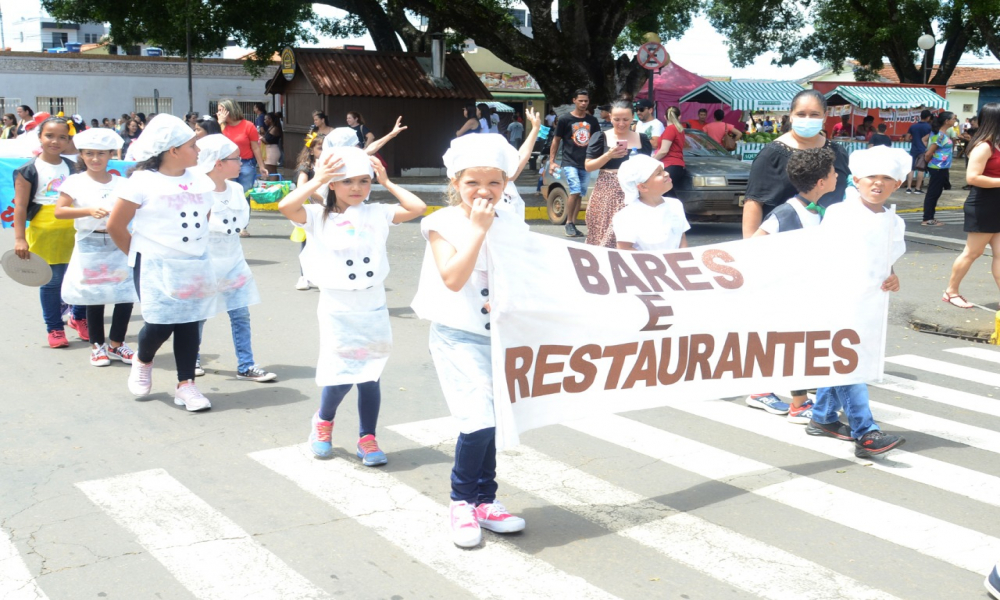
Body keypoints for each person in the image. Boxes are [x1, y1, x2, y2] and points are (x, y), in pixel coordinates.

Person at [410, 133, 527, 548]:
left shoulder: (512, 219)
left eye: (494, 183)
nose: (484, 191)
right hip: (457, 336)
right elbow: (453, 277)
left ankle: (486, 502)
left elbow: (523, 269)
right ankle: (461, 501)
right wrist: (478, 228)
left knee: (493, 422)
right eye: (473, 182)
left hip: (499, 337)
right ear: (455, 182)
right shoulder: (441, 222)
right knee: (476, 420)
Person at [278, 145, 426, 464]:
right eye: (347, 181)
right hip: (337, 306)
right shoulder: (318, 216)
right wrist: (316, 179)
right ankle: (324, 422)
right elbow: (287, 206)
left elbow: (418, 207)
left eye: (363, 180)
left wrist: (387, 182)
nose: (356, 188)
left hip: (372, 303)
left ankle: (367, 438)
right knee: (341, 373)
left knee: (370, 374)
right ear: (333, 184)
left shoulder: (377, 212)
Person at [106, 114, 219, 411]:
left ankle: (186, 385)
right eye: (193, 144)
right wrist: (140, 254)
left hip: (193, 263)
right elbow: (116, 226)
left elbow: (202, 221)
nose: (198, 149)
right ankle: (143, 360)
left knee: (190, 323)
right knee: (159, 324)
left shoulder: (201, 180)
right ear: (173, 150)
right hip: (153, 264)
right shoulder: (142, 181)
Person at [807, 145, 908, 458]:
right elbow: (822, 256)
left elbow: (885, 259)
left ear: (898, 184)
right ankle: (865, 432)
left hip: (870, 304)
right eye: (870, 178)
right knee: (851, 364)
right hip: (838, 300)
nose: (877, 184)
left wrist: (892, 275)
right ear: (856, 179)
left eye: (886, 179)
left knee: (843, 362)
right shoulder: (840, 213)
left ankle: (822, 417)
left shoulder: (894, 221)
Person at [751, 147, 839, 422]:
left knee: (788, 345)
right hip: (788, 294)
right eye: (834, 172)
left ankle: (760, 389)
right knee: (796, 346)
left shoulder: (820, 212)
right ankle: (799, 403)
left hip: (806, 291)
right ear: (822, 182)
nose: (838, 175)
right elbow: (754, 245)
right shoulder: (786, 213)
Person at [193, 134, 277, 383]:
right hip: (205, 261)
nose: (242, 162)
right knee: (198, 315)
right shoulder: (197, 191)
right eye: (236, 159)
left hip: (233, 261)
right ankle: (191, 358)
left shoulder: (238, 189)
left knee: (240, 314)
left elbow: (241, 224)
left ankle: (247, 364)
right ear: (218, 162)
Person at [53, 127, 136, 367]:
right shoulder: (75, 181)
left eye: (101, 154)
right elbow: (60, 211)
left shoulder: (122, 183)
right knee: (94, 294)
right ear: (81, 155)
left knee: (125, 293)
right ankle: (97, 346)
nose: (95, 159)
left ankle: (117, 345)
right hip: (89, 242)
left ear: (111, 154)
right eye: (89, 154)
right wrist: (88, 210)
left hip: (119, 241)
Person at [12, 116, 88, 347]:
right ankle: (54, 328)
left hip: (74, 230)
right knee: (52, 282)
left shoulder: (74, 167)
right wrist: (19, 239)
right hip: (44, 231)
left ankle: (79, 317)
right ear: (39, 137)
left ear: (68, 141)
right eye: (49, 136)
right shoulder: (28, 169)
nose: (55, 141)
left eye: (62, 137)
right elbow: (21, 206)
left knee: (79, 279)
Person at [741, 89, 850, 239]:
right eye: (801, 114)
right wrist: (749, 247)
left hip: (830, 241)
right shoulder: (771, 155)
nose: (807, 119)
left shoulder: (838, 152)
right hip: (785, 244)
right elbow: (753, 202)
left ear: (824, 117)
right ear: (791, 116)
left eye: (814, 114)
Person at [944, 104, 1000, 308]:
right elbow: (972, 177)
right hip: (983, 204)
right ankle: (951, 291)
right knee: (972, 252)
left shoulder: (996, 144)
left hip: (995, 204)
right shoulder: (984, 146)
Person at [583, 99, 654, 248]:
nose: (621, 123)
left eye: (626, 119)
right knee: (606, 235)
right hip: (607, 192)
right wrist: (608, 155)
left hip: (636, 192)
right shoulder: (601, 137)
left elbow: (647, 167)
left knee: (633, 236)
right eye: (616, 119)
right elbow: (588, 166)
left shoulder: (641, 138)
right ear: (610, 116)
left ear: (632, 117)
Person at [549, 89, 601, 237]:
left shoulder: (592, 121)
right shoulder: (565, 119)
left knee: (580, 195)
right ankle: (568, 223)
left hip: (586, 163)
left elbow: (598, 140)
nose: (583, 103)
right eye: (581, 100)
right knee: (575, 190)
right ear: (574, 101)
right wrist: (552, 161)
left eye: (586, 101)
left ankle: (573, 222)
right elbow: (556, 140)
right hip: (569, 161)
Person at [613, 154, 689, 252]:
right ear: (642, 187)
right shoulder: (627, 215)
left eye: (663, 170)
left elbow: (681, 238)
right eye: (658, 173)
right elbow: (624, 248)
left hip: (675, 265)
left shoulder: (675, 204)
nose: (666, 174)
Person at [217, 99, 268, 236]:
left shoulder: (248, 126)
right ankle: (226, 224)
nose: (219, 113)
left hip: (246, 163)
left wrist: (261, 166)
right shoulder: (221, 126)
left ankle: (242, 226)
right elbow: (218, 142)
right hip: (227, 163)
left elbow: (255, 147)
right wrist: (221, 123)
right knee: (226, 194)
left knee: (243, 195)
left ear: (230, 109)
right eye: (218, 110)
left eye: (222, 110)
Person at [290, 133, 326, 291]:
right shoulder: (307, 167)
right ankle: (304, 276)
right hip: (310, 211)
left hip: (328, 210)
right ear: (311, 151)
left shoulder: (330, 166)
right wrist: (323, 198)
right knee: (306, 244)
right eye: (320, 148)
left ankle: (324, 275)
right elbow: (301, 187)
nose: (324, 151)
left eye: (327, 148)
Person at [920, 111, 957, 226]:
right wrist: (928, 161)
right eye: (954, 119)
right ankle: (928, 218)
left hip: (942, 167)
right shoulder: (940, 135)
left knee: (936, 192)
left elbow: (924, 140)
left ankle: (930, 217)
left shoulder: (939, 134)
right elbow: (929, 153)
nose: (955, 120)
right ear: (947, 121)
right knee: (933, 192)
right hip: (937, 167)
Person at [904, 109, 933, 194]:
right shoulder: (929, 127)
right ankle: (917, 188)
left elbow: (906, 138)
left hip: (913, 149)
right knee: (921, 169)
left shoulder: (913, 126)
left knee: (911, 169)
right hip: (923, 150)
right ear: (928, 117)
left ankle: (908, 188)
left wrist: (913, 141)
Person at [654, 106, 686, 183]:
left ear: (665, 117)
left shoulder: (670, 129)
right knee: (668, 192)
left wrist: (651, 160)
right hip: (677, 165)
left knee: (665, 192)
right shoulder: (680, 130)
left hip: (669, 165)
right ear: (679, 117)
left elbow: (664, 151)